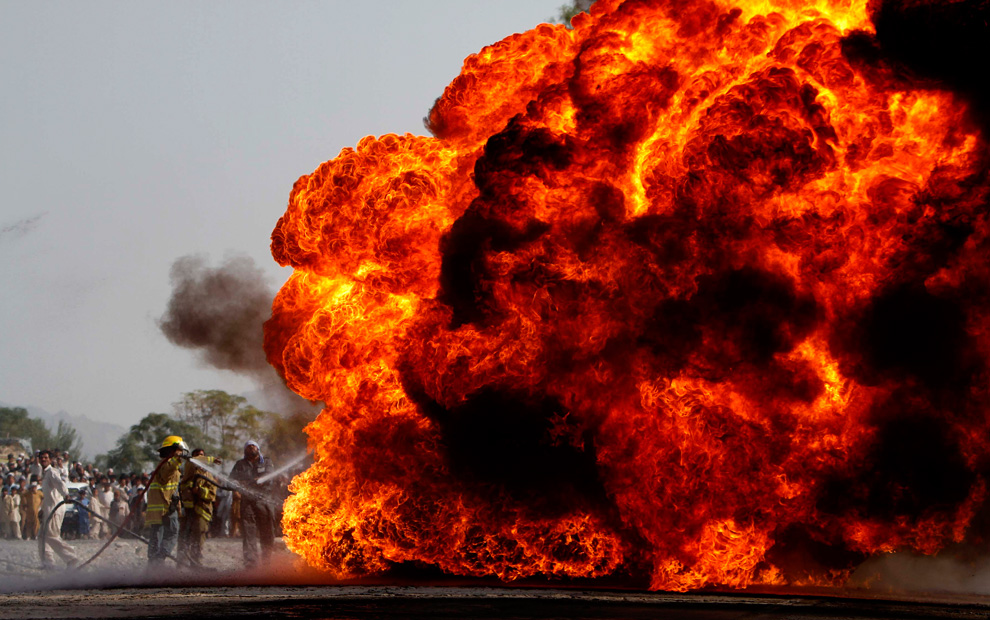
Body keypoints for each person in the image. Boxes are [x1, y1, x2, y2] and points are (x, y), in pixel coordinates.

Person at [230, 440, 276, 567]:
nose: (251, 448)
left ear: (258, 449)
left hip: (264, 500)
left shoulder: (266, 461)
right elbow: (231, 479)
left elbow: (270, 475)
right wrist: (237, 486)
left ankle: (267, 561)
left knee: (267, 531)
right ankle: (251, 563)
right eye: (248, 446)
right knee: (248, 531)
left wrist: (257, 480)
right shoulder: (240, 464)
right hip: (247, 501)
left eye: (253, 446)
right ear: (244, 450)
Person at [145, 436, 188, 565]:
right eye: (179, 451)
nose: (182, 454)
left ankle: (153, 564)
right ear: (174, 450)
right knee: (172, 533)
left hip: (161, 507)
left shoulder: (166, 464)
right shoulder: (169, 465)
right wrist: (177, 460)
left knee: (157, 535)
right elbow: (165, 476)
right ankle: (158, 560)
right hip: (165, 507)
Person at [177, 448, 221, 568]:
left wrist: (199, 491)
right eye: (197, 455)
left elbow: (212, 494)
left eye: (202, 455)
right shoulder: (189, 469)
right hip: (187, 511)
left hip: (202, 511)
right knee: (183, 538)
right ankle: (180, 565)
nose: (199, 458)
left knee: (198, 540)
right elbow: (184, 486)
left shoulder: (208, 475)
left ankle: (196, 564)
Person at [38, 449, 79, 569]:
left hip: (55, 509)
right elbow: (48, 495)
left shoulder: (52, 472)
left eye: (46, 457)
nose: (43, 459)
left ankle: (71, 557)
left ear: (50, 460)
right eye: (42, 457)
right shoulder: (45, 473)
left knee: (51, 535)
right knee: (41, 536)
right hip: (48, 508)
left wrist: (66, 494)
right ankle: (48, 563)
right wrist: (42, 509)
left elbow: (60, 484)